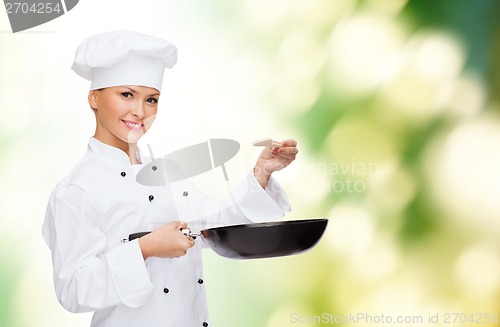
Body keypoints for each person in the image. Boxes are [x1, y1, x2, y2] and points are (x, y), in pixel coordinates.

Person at [42, 30, 298, 327]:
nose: (139, 112)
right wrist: (145, 248)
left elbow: (215, 224)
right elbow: (73, 290)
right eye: (126, 94)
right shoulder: (77, 189)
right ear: (94, 97)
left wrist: (261, 173)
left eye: (151, 99)